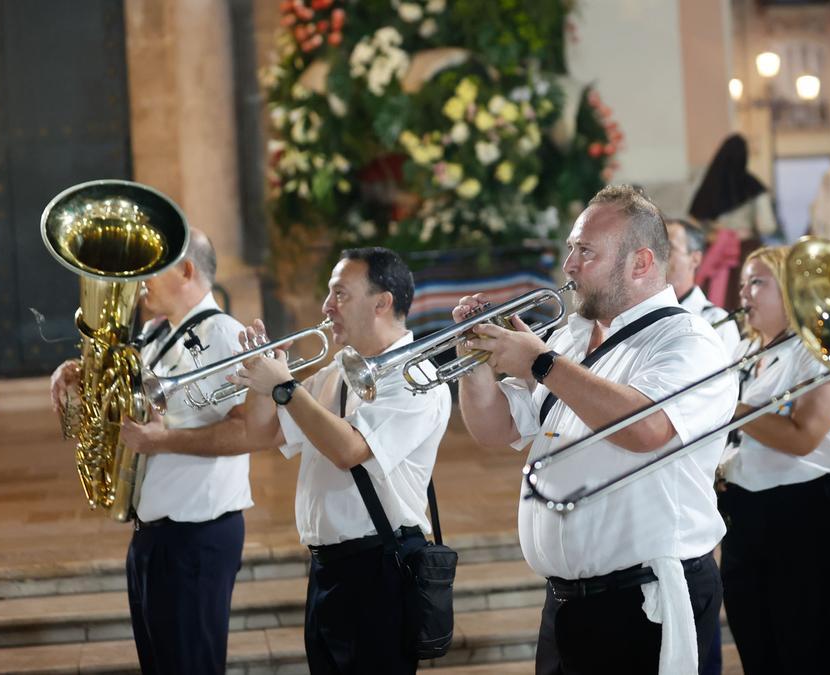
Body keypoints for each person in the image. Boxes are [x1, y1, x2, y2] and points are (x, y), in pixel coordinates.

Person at [455, 185, 737, 675]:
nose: (568, 265)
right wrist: (475, 365)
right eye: (571, 248)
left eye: (585, 251)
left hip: (641, 601)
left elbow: (646, 428)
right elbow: (495, 429)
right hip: (567, 603)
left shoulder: (688, 340)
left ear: (641, 263)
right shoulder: (571, 337)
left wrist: (541, 363)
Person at [228, 247, 451, 675]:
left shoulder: (417, 377)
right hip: (328, 570)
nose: (327, 307)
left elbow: (349, 450)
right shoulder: (336, 372)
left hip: (380, 569)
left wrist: (287, 388)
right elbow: (263, 433)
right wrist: (259, 379)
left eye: (340, 294)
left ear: (382, 302)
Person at [48, 229, 254, 675]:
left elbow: (248, 431)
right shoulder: (155, 334)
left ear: (186, 270)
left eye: (152, 268)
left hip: (196, 538)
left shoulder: (225, 334)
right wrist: (79, 375)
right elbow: (132, 403)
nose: (139, 279)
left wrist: (163, 441)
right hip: (154, 535)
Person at [718, 245, 830, 674]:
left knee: (806, 651)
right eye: (744, 282)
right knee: (758, 649)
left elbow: (804, 437)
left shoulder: (823, 347)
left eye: (758, 282)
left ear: (792, 291)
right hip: (747, 512)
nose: (744, 293)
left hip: (813, 511)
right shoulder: (741, 355)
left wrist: (728, 407)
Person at [688, 134, 779, 307]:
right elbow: (766, 225)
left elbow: (695, 221)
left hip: (714, 252)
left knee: (713, 304)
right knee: (747, 300)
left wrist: (715, 234)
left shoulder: (710, 185)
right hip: (746, 251)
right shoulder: (753, 187)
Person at [666, 217, 741, 355]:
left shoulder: (718, 321)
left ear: (695, 259)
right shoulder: (638, 311)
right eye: (656, 248)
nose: (659, 257)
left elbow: (728, 375)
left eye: (669, 249)